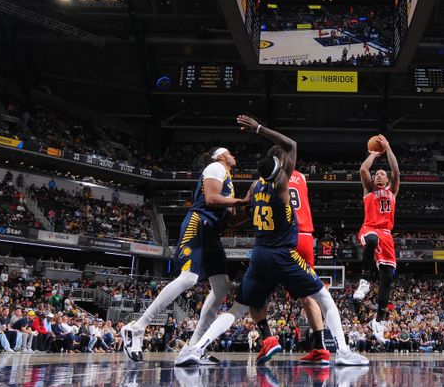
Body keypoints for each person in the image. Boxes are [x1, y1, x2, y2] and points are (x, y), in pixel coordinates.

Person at [175, 115, 368, 367]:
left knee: (237, 309)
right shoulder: (282, 183)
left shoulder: (255, 187)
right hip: (284, 253)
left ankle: (195, 348)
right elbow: (292, 145)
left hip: (259, 255)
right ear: (281, 166)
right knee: (323, 297)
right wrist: (259, 129)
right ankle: (342, 351)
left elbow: (236, 219)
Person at [121, 146, 250, 363]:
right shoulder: (215, 167)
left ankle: (192, 348)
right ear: (220, 156)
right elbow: (210, 199)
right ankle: (137, 327)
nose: (233, 155)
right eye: (229, 152)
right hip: (198, 222)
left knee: (221, 288)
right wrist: (242, 201)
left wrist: (251, 210)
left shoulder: (228, 179)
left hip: (212, 232)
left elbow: (230, 222)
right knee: (189, 277)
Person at [249, 167, 331, 366]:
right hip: (305, 237)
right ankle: (320, 348)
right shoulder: (301, 177)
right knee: (309, 295)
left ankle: (268, 337)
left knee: (254, 291)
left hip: (283, 237)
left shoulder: (265, 178)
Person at [353, 134, 400, 345]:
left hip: (387, 235)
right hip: (370, 228)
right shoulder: (369, 189)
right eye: (377, 174)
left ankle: (379, 322)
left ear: (388, 180)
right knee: (371, 240)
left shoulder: (393, 191)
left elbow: (396, 171)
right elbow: (363, 170)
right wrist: (372, 155)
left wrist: (388, 148)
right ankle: (364, 280)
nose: (379, 176)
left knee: (387, 277)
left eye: (382, 174)